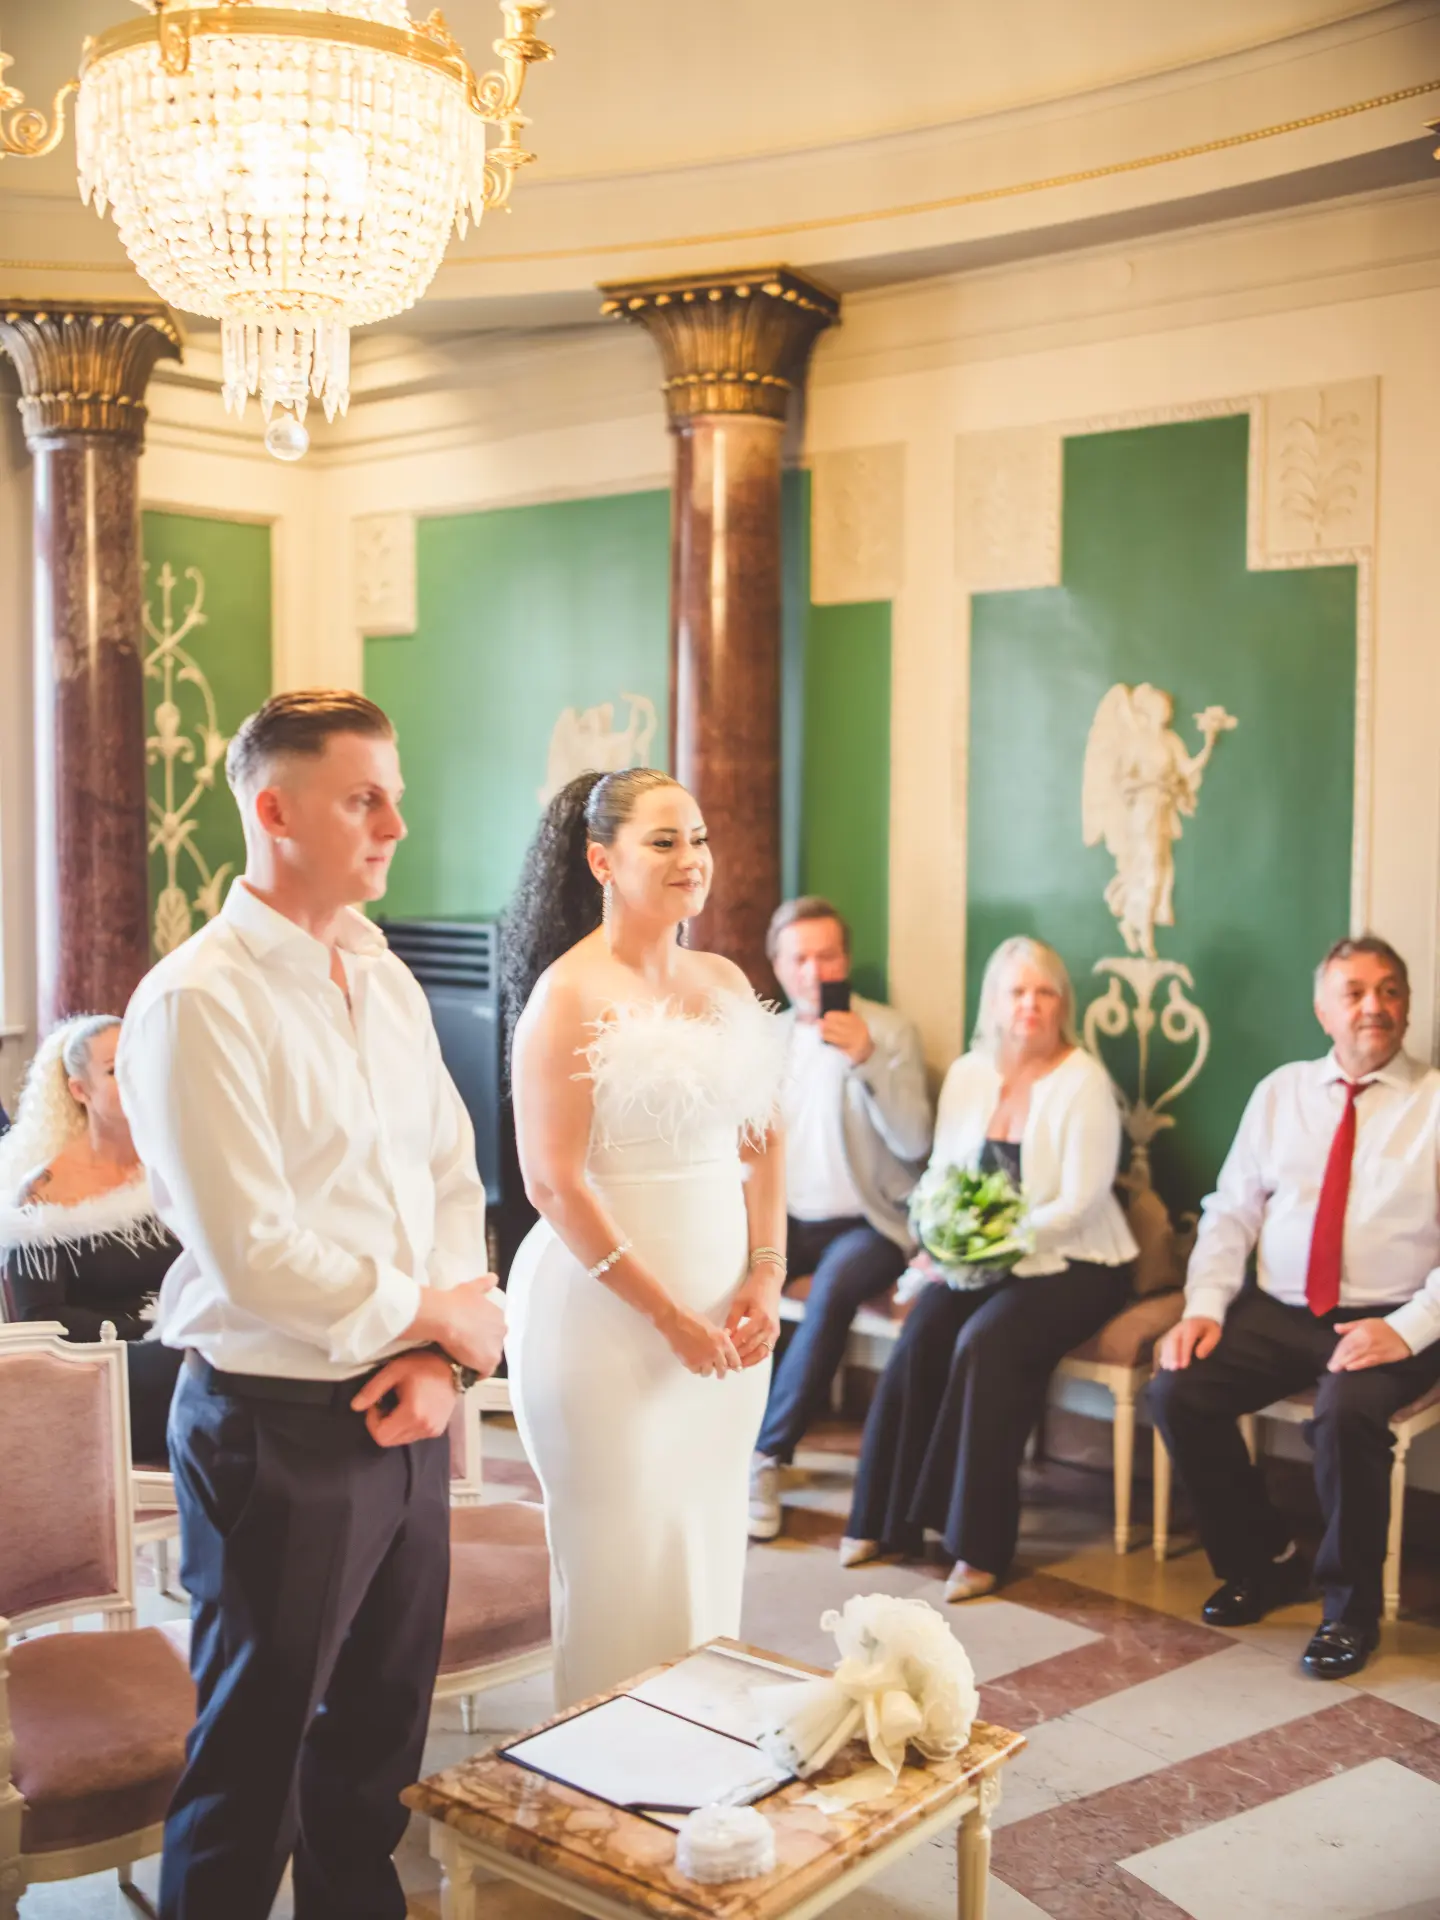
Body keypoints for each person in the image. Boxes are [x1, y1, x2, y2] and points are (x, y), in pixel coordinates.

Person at [117, 690, 506, 1920]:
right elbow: (253, 1254)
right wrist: (438, 1316)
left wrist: (444, 1361)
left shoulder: (382, 977)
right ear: (274, 811)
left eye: (392, 790)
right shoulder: (199, 999)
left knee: (375, 1764)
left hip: (408, 1410)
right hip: (276, 1430)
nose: (397, 820)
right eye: (363, 796)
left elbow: (452, 1177)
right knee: (251, 1772)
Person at [503, 768, 788, 1708]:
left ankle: (698, 1755)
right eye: (664, 841)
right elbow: (551, 1181)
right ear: (602, 859)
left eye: (698, 839)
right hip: (603, 1324)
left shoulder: (724, 981)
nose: (691, 860)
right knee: (622, 1554)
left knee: (704, 1538)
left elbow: (763, 1141)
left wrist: (764, 1276)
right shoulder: (568, 994)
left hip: (729, 1319)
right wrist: (667, 1315)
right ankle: (604, 1784)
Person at [1151, 934, 1440, 1681]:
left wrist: (1405, 1330)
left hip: (1396, 1314)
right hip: (1281, 1309)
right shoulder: (1280, 1094)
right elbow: (1231, 1212)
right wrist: (1205, 1304)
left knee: (1347, 1412)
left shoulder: (1437, 1104)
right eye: (1355, 992)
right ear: (1323, 1010)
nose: (1374, 1006)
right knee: (1178, 1389)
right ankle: (1265, 1559)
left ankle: (1349, 1613)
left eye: (1390, 990)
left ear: (1406, 1006)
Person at [843, 936, 1137, 1599]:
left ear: (1063, 1004)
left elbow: (1081, 1203)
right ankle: (883, 1520)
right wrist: (937, 1235)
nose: (1030, 1005)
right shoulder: (974, 1073)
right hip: (988, 1258)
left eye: (1045, 992)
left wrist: (990, 1242)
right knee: (922, 1332)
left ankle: (977, 1545)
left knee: (986, 1344)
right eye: (1017, 992)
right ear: (994, 1003)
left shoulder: (1084, 1081)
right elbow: (942, 1171)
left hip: (1077, 1263)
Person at [748, 897, 932, 1542]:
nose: (813, 969)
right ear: (778, 966)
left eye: (827, 955)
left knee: (828, 1297)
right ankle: (716, 1441)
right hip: (785, 1218)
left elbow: (915, 1141)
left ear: (845, 961)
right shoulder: (761, 1037)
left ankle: (766, 1458)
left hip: (868, 1223)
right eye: (799, 957)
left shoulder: (888, 1031)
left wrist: (868, 1060)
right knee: (727, 1280)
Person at [0, 1012, 184, 1465]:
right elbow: (38, 1317)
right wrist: (146, 1331)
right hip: (103, 1376)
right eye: (114, 1070)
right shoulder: (46, 1190)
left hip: (185, 1343)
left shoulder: (174, 1166)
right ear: (79, 1091)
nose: (135, 1076)